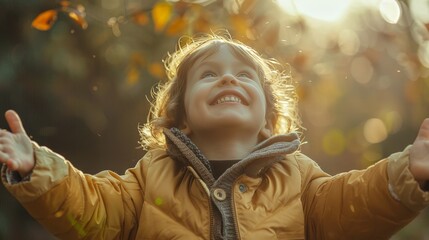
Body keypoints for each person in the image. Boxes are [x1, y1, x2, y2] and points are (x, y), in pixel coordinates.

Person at [1, 33, 429, 240]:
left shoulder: (301, 181)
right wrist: (38, 168)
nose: (228, 78)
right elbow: (90, 209)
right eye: (209, 75)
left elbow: (357, 202)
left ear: (267, 117)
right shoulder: (149, 179)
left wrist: (407, 172)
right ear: (181, 115)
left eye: (244, 76)